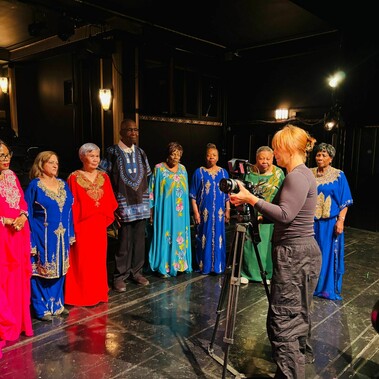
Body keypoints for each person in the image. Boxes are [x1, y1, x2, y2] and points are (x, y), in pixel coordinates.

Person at [229, 124, 322, 378]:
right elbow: (287, 214)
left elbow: (285, 214)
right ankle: (296, 364)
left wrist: (251, 199)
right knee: (295, 315)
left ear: (289, 148)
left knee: (285, 321)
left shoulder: (296, 176)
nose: (274, 153)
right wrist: (255, 210)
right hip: (300, 253)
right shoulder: (300, 175)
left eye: (277, 148)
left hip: (295, 255)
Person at [99, 118, 151, 292]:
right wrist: (111, 204)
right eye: (129, 130)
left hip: (141, 204)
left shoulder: (141, 153)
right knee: (123, 242)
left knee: (139, 241)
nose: (134, 133)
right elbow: (103, 178)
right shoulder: (112, 152)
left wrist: (149, 203)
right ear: (121, 132)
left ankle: (136, 272)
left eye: (136, 130)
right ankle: (119, 276)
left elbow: (147, 178)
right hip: (122, 204)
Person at [65, 143, 118, 306]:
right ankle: (81, 295)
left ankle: (98, 293)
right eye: (91, 156)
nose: (95, 159)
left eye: (97, 156)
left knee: (98, 260)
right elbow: (70, 204)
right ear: (82, 157)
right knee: (82, 260)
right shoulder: (73, 177)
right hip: (81, 225)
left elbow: (109, 201)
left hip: (98, 225)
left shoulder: (104, 177)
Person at [25, 151, 75, 321]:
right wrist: (30, 240)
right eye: (51, 162)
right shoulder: (35, 185)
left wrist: (71, 233)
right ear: (41, 164)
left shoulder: (62, 184)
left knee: (60, 269)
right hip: (42, 235)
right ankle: (41, 308)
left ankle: (57, 304)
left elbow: (70, 211)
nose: (55, 165)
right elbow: (28, 213)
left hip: (61, 235)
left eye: (57, 162)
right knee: (41, 271)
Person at [0, 140, 33, 358]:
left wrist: (22, 215)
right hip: (2, 235)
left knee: (18, 277)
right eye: (1, 156)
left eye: (6, 154)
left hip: (18, 234)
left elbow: (21, 200)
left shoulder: (11, 175)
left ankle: (20, 321)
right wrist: (4, 219)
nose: (6, 158)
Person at [311, 143, 353, 301]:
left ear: (331, 158)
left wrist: (340, 221)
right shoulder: (309, 173)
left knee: (327, 255)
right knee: (311, 254)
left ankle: (325, 288)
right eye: (318, 155)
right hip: (311, 222)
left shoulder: (338, 175)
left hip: (330, 223)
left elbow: (345, 201)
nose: (320, 158)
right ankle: (310, 285)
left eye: (323, 155)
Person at [240, 146, 285, 285]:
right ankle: (247, 273)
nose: (264, 161)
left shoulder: (278, 173)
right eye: (261, 158)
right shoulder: (249, 171)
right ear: (256, 158)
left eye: (268, 158)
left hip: (270, 215)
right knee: (250, 245)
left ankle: (267, 274)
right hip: (252, 213)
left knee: (268, 246)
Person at [148, 142, 192, 277]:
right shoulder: (159, 169)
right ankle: (164, 265)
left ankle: (179, 264)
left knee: (179, 236)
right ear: (168, 155)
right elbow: (151, 191)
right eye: (174, 154)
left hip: (180, 212)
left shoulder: (183, 169)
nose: (176, 157)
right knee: (165, 235)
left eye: (179, 155)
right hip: (164, 211)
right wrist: (151, 211)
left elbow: (185, 193)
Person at [189, 143, 230, 275]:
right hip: (204, 214)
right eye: (209, 155)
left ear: (217, 157)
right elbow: (193, 195)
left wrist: (228, 210)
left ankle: (218, 267)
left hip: (219, 214)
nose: (211, 157)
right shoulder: (199, 172)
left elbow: (227, 196)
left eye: (214, 155)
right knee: (203, 239)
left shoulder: (223, 172)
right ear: (205, 157)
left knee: (219, 239)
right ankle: (204, 266)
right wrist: (195, 213)